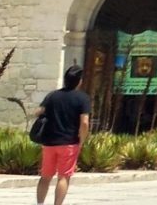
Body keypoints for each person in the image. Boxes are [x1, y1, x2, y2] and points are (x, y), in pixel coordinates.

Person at [34, 63, 91, 205]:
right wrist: (82, 140)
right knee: (63, 177)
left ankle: (40, 203)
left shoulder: (52, 96)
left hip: (49, 142)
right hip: (69, 142)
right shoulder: (82, 98)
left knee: (45, 176)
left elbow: (38, 112)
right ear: (79, 81)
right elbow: (84, 122)